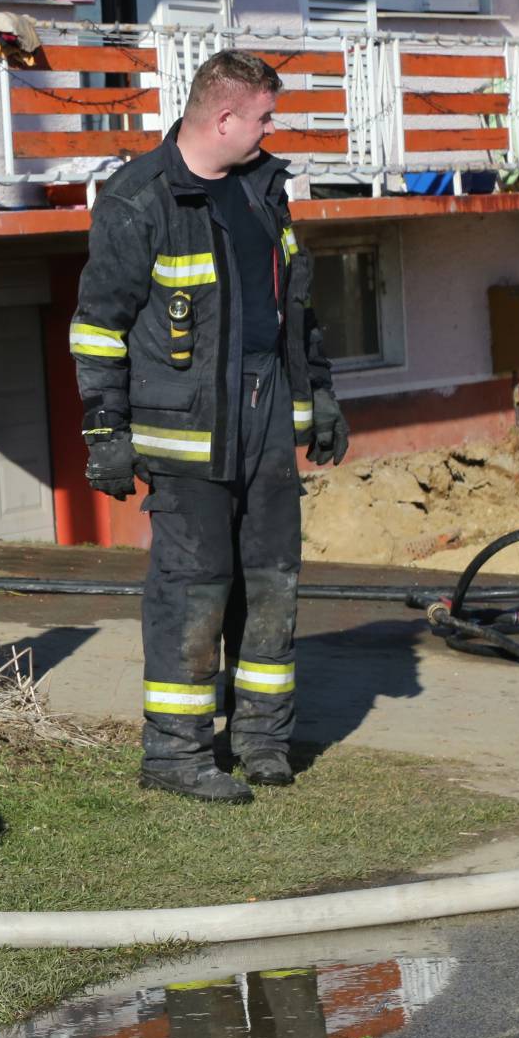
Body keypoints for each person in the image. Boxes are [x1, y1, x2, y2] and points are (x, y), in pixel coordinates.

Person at [69, 50, 349, 804]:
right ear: (223, 118)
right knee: (193, 592)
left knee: (271, 586)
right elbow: (99, 328)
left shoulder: (264, 189)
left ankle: (261, 739)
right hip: (186, 436)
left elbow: (295, 309)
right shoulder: (140, 199)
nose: (271, 130)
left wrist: (319, 395)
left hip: (265, 425)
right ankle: (176, 754)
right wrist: (106, 432)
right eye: (263, 116)